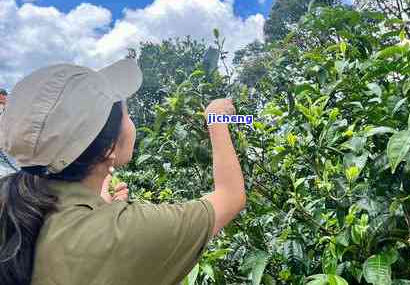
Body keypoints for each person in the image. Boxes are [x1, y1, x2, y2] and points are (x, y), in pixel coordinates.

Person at [0, 59, 246, 285]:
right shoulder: (129, 233)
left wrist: (100, 206)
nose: (131, 122)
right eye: (127, 113)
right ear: (108, 148)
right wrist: (216, 120)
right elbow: (231, 196)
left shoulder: (12, 194)